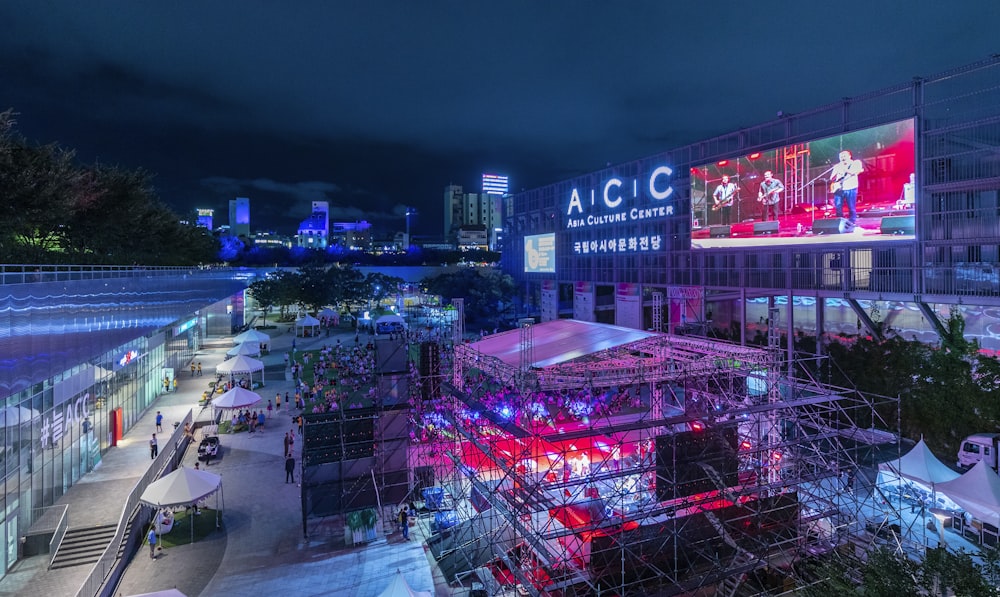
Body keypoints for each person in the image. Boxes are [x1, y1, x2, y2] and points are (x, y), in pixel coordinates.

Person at [830, 150, 864, 224]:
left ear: (849, 156)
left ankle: (852, 222)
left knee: (851, 207)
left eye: (844, 156)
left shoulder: (855, 163)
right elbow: (832, 178)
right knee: (838, 206)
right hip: (838, 188)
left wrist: (843, 168)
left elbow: (853, 172)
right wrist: (836, 173)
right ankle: (840, 222)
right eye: (841, 157)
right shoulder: (837, 166)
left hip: (851, 187)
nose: (842, 158)